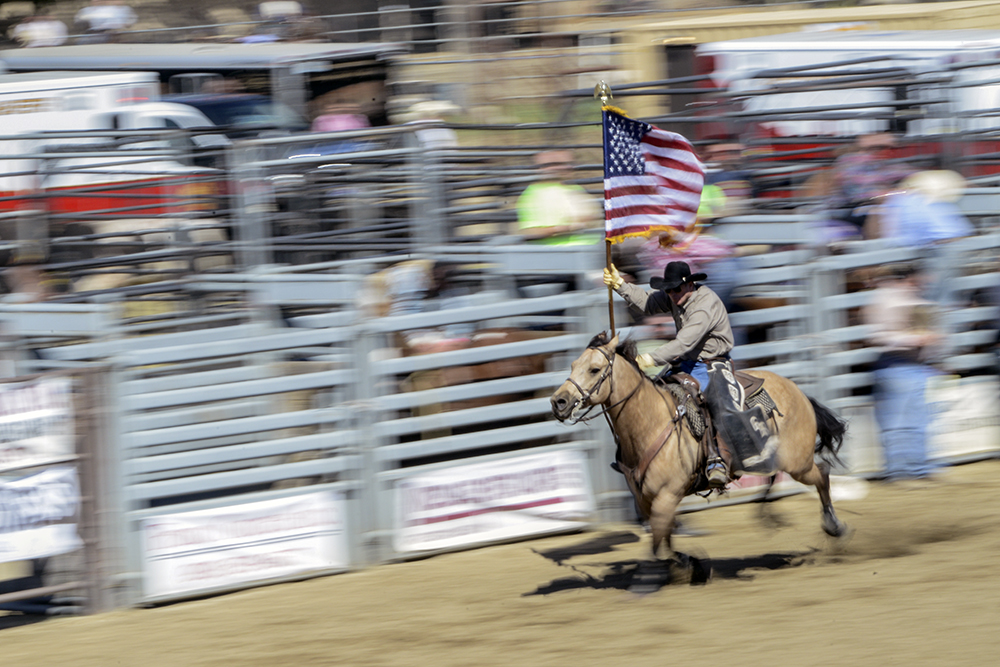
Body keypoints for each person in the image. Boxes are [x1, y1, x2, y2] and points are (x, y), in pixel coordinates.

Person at [604, 259, 770, 488]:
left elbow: (684, 342)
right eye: (668, 289)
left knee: (710, 403)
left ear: (689, 285)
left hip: (711, 364)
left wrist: (650, 358)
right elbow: (647, 303)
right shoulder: (676, 296)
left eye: (676, 288)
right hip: (686, 363)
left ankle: (716, 459)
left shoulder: (704, 305)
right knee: (654, 394)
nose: (671, 293)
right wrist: (621, 285)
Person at [863, 263, 942, 483]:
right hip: (895, 365)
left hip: (915, 365)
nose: (925, 283)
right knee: (899, 422)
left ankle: (918, 469)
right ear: (910, 278)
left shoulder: (914, 300)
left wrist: (929, 344)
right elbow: (876, 337)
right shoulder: (886, 299)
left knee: (920, 420)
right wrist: (915, 339)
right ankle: (900, 471)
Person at [826, 133, 911, 234]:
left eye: (887, 148)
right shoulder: (849, 163)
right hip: (848, 210)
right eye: (879, 147)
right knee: (880, 211)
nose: (884, 151)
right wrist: (894, 193)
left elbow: (913, 175)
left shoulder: (886, 164)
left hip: (868, 208)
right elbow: (860, 194)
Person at [516, 150, 600, 245]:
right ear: (541, 168)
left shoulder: (575, 188)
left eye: (568, 164)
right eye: (556, 164)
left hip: (589, 250)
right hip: (558, 253)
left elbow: (590, 220)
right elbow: (531, 232)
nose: (566, 167)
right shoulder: (532, 194)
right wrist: (566, 228)